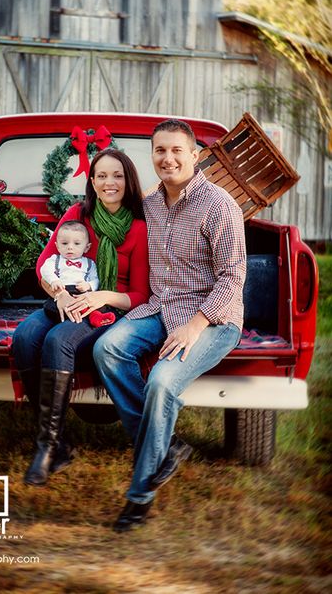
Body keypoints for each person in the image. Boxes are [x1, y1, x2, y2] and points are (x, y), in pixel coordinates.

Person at [94, 119, 246, 532]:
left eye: (177, 150)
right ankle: (166, 446)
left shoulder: (219, 205)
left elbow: (233, 278)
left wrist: (196, 325)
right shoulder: (150, 204)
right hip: (161, 308)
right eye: (160, 150)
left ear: (195, 156)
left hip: (213, 317)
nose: (168, 158)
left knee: (162, 382)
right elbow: (103, 213)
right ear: (153, 156)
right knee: (106, 349)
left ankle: (139, 497)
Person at [11, 148, 150, 486]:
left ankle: (45, 448)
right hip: (64, 299)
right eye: (101, 175)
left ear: (128, 180)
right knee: (26, 337)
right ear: (92, 181)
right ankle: (58, 445)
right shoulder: (77, 213)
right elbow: (43, 264)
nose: (109, 182)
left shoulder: (140, 227)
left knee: (58, 340)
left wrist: (99, 296)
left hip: (107, 307)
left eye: (117, 175)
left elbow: (141, 295)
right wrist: (58, 293)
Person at [40, 219, 116, 327]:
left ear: (86, 247)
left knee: (96, 305)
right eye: (65, 243)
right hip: (63, 290)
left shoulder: (89, 263)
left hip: (80, 293)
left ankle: (95, 316)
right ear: (57, 246)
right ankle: (67, 315)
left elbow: (96, 279)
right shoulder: (55, 259)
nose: (70, 247)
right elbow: (44, 269)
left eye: (77, 243)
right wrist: (54, 280)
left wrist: (89, 285)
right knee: (49, 306)